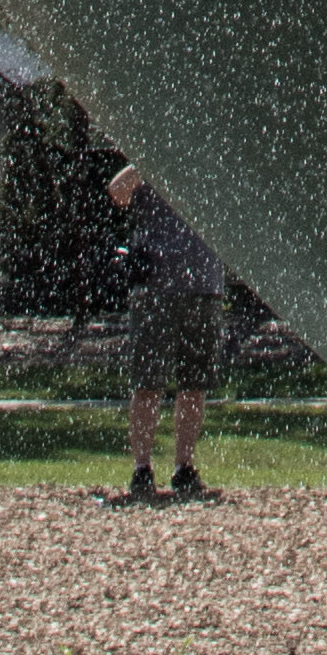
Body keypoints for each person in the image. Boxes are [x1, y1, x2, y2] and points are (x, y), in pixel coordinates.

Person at [107, 163, 221, 502]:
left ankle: (184, 467)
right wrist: (147, 160)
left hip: (204, 285)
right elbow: (118, 193)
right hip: (155, 287)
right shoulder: (148, 160)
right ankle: (142, 469)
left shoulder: (211, 164)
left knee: (194, 383)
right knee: (147, 383)